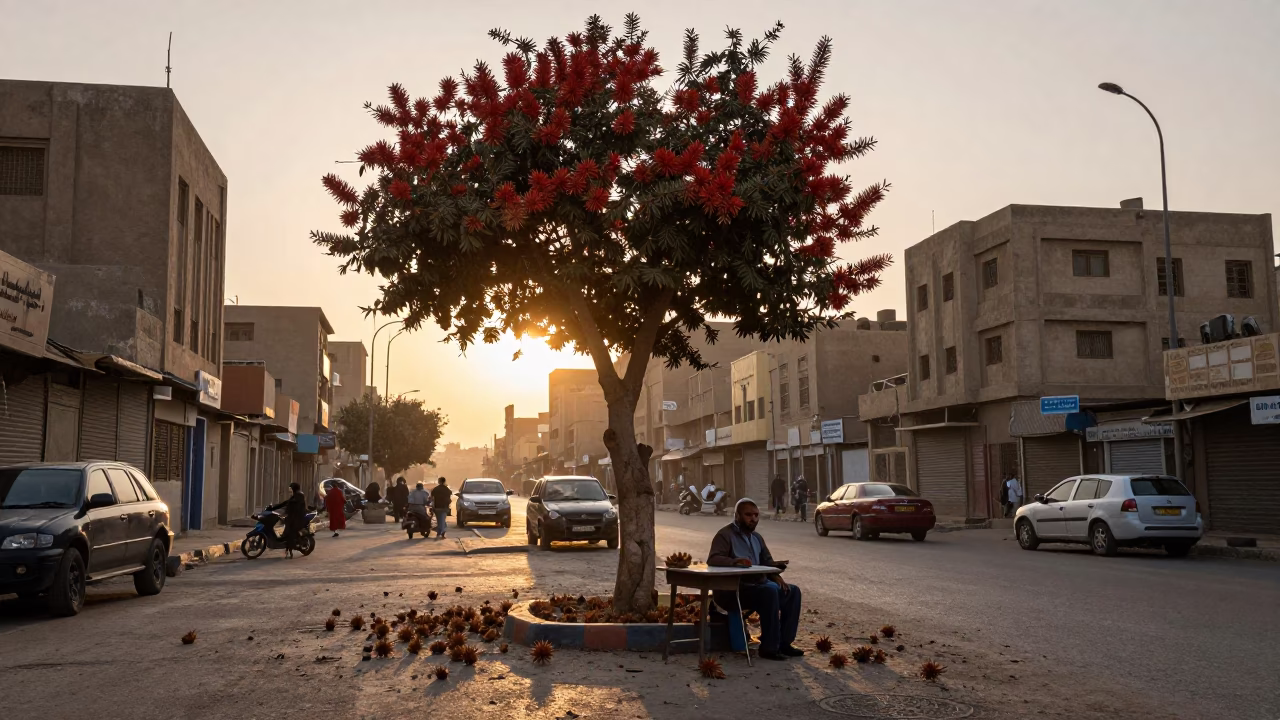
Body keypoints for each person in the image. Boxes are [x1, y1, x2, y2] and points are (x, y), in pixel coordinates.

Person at [707, 498, 804, 661]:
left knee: (792, 592)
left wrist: (776, 573)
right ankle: (768, 647)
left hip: (758, 585)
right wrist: (734, 562)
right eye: (748, 515)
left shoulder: (757, 538)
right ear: (737, 515)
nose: (753, 519)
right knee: (770, 591)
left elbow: (766, 561)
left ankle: (784, 643)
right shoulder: (725, 535)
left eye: (756, 515)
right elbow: (714, 559)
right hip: (734, 590)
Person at [268, 482, 309, 558]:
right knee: (286, 533)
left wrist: (287, 510)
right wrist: (273, 507)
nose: (290, 490)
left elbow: (295, 506)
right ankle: (288, 549)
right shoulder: (295, 495)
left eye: (291, 488)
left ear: (294, 488)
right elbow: (286, 503)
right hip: (291, 517)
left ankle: (290, 551)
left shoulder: (299, 495)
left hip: (296, 518)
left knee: (289, 534)